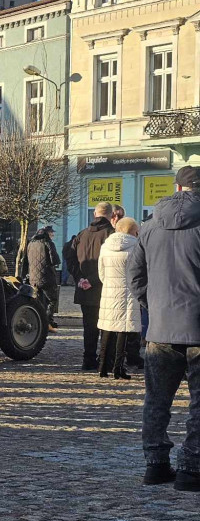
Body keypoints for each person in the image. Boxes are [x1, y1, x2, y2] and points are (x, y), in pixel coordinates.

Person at [127, 166, 200, 490]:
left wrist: (153, 307)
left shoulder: (149, 227)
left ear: (176, 188)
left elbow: (135, 278)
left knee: (157, 400)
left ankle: (155, 465)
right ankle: (191, 469)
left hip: (161, 329)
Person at [68, 202, 116, 370]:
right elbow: (111, 263)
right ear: (111, 215)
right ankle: (105, 361)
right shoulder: (111, 234)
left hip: (84, 289)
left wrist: (80, 278)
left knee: (89, 326)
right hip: (104, 289)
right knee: (107, 327)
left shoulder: (82, 234)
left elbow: (71, 259)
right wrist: (93, 280)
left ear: (95, 214)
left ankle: (88, 359)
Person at [98, 217, 142, 380]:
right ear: (133, 231)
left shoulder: (105, 246)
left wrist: (109, 283)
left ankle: (102, 367)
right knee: (123, 330)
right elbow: (139, 272)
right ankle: (118, 368)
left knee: (107, 328)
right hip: (128, 293)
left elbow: (101, 273)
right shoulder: (135, 247)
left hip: (109, 291)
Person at [27, 225, 61, 331]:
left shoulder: (31, 243)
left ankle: (38, 321)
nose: (53, 235)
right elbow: (54, 260)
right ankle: (47, 322)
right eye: (51, 233)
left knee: (38, 301)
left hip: (33, 278)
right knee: (52, 300)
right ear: (47, 234)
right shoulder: (48, 243)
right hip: (46, 277)